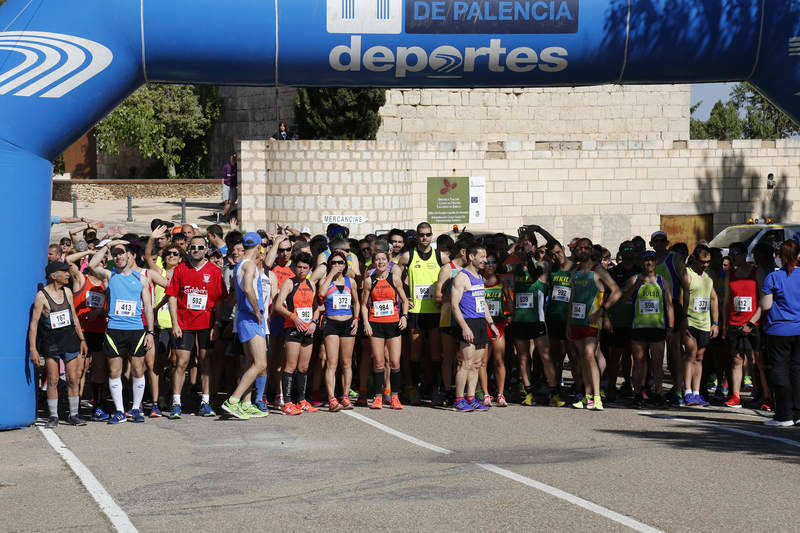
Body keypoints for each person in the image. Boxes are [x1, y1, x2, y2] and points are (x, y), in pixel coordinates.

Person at [88, 241, 155, 424]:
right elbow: (92, 265)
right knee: (114, 371)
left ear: (129, 255)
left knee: (138, 369)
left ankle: (135, 409)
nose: (118, 257)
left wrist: (150, 331)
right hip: (114, 330)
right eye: (115, 254)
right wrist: (107, 246)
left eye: (121, 253)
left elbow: (148, 307)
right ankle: (119, 411)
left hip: (136, 330)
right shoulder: (110, 275)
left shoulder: (140, 278)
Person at [166, 235, 227, 419]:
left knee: (205, 362)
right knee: (180, 362)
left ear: (206, 249)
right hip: (184, 323)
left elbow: (219, 301)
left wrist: (217, 324)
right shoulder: (180, 269)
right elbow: (172, 297)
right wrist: (175, 323)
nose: (196, 250)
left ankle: (205, 402)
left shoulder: (214, 271)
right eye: (193, 247)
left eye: (200, 247)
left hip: (206, 324)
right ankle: (176, 403)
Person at [29, 262, 89, 428]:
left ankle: (74, 414)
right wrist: (33, 349)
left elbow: (75, 318)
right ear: (54, 276)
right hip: (51, 342)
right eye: (64, 272)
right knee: (53, 379)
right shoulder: (41, 296)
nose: (68, 274)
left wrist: (82, 339)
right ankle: (53, 416)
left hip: (70, 339)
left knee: (73, 378)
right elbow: (34, 324)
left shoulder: (67, 292)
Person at [568, 238, 621, 411]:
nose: (582, 250)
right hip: (576, 320)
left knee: (590, 355)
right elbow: (572, 298)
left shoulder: (597, 269)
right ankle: (587, 396)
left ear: (591, 250)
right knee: (582, 357)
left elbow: (616, 291)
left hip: (592, 320)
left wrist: (601, 311)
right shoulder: (574, 271)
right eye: (579, 248)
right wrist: (568, 323)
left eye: (586, 248)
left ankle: (597, 397)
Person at [221, 232, 270, 420]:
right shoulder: (249, 265)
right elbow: (248, 288)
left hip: (243, 317)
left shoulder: (239, 265)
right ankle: (233, 400)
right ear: (258, 247)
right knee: (261, 363)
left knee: (250, 363)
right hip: (250, 318)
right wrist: (257, 311)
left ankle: (247, 403)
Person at [621, 250, 674, 408]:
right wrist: (636, 285)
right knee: (638, 363)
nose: (649, 263)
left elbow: (669, 305)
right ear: (642, 263)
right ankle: (637, 394)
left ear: (655, 262)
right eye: (646, 261)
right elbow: (624, 299)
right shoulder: (634, 279)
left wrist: (670, 327)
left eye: (651, 260)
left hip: (657, 328)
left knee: (657, 364)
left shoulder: (662, 281)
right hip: (639, 328)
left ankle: (659, 394)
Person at [397, 222, 443, 403]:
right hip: (415, 310)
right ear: (417, 236)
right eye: (421, 234)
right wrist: (403, 296)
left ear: (432, 236)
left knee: (435, 353)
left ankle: (436, 389)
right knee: (415, 353)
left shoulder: (441, 257)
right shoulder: (408, 256)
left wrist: (444, 295)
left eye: (428, 234)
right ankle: (413, 388)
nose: (425, 237)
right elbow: (395, 277)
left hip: (434, 311)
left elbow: (452, 275)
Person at [450, 244, 499, 412]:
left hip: (480, 323)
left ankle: (471, 397)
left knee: (477, 363)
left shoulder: (479, 276)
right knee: (465, 363)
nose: (485, 260)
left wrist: (491, 323)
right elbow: (454, 305)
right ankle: (459, 399)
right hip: (468, 322)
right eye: (483, 257)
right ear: (472, 257)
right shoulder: (462, 277)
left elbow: (482, 302)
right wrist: (464, 327)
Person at [759, 239, 800, 427]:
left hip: (779, 330)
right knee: (796, 370)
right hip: (799, 329)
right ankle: (798, 412)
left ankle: (784, 414)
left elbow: (766, 305)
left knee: (779, 372)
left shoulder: (773, 277)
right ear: (798, 256)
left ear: (779, 257)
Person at [362, 249, 409, 409]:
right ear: (374, 263)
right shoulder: (369, 281)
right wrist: (366, 323)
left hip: (393, 323)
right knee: (378, 361)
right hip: (375, 323)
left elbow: (404, 299)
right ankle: (378, 397)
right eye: (378, 260)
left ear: (388, 262)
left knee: (395, 361)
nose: (381, 262)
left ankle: (395, 396)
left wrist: (404, 316)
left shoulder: (394, 278)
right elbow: (363, 304)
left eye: (383, 259)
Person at [65, 250, 109, 420]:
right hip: (80, 332)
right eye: (96, 262)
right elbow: (68, 259)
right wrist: (91, 251)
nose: (100, 265)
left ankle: (97, 407)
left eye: (103, 263)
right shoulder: (81, 279)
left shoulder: (106, 283)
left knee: (98, 369)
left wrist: (99, 311)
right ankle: (73, 409)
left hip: (99, 331)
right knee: (78, 371)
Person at [275, 252, 319, 415]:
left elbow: (316, 307)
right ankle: (287, 401)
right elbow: (278, 306)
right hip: (292, 328)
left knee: (303, 366)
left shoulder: (311, 283)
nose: (301, 270)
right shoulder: (289, 283)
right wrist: (294, 318)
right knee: (291, 366)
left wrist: (314, 322)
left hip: (308, 329)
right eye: (299, 267)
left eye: (305, 268)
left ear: (310, 269)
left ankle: (301, 400)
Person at [721, 242, 763, 408]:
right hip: (734, 323)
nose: (733, 256)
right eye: (731, 253)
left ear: (745, 254)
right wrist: (724, 327)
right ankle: (736, 395)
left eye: (736, 253)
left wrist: (752, 322)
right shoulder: (730, 274)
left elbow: (762, 299)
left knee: (755, 360)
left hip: (753, 323)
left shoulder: (755, 272)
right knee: (737, 360)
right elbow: (726, 303)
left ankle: (762, 393)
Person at [319, 250, 360, 411]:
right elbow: (321, 293)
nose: (337, 265)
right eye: (334, 262)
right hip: (332, 324)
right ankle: (331, 398)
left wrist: (356, 319)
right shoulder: (326, 280)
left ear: (345, 265)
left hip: (348, 323)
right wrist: (330, 275)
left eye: (340, 263)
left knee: (347, 362)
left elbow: (357, 302)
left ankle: (345, 396)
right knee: (332, 363)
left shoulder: (351, 282)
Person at [652, 231, 689, 405]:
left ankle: (678, 388)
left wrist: (685, 313)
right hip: (653, 308)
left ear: (666, 242)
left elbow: (686, 287)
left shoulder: (674, 258)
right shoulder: (650, 261)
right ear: (651, 244)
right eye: (656, 241)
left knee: (674, 349)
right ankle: (657, 387)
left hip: (672, 305)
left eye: (662, 241)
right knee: (655, 349)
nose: (659, 243)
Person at [680, 244, 719, 407]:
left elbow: (714, 299)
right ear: (695, 259)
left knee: (700, 357)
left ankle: (697, 392)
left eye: (708, 262)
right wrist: (683, 318)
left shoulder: (709, 278)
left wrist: (715, 323)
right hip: (690, 320)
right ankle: (687, 391)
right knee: (691, 353)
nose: (705, 265)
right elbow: (682, 296)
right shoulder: (687, 273)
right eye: (703, 261)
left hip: (704, 323)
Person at [605, 242, 640, 403]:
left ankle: (630, 384)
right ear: (620, 252)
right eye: (625, 249)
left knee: (633, 356)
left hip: (636, 320)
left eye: (631, 249)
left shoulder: (640, 272)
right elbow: (606, 296)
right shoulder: (612, 272)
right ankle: (611, 386)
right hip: (618, 319)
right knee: (615, 356)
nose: (628, 252)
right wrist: (606, 317)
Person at [480, 250, 509, 406]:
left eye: (493, 263)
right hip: (484, 324)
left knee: (499, 360)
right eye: (487, 262)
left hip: (498, 323)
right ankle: (485, 394)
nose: (490, 266)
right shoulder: (478, 281)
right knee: (484, 361)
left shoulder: (501, 281)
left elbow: (509, 301)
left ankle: (501, 394)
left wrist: (510, 314)